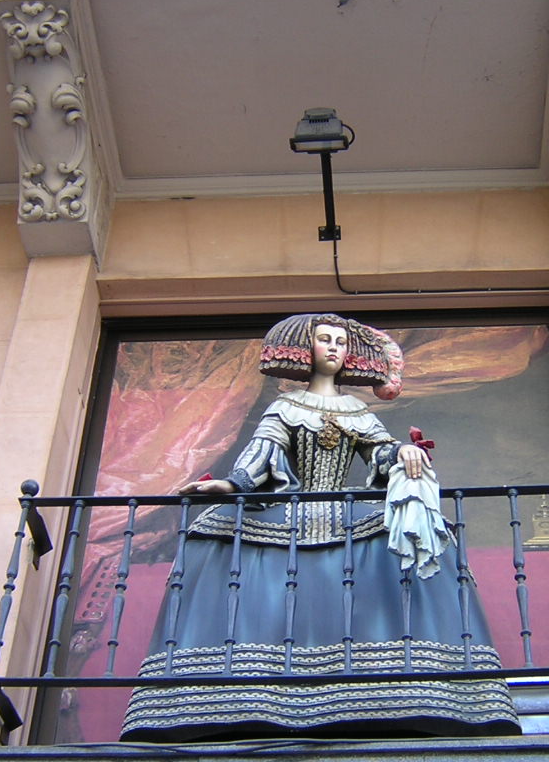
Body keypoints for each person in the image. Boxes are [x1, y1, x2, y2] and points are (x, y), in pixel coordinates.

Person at [120, 314, 520, 741]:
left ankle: (418, 681)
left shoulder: (357, 410)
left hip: (343, 509)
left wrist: (404, 451)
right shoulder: (286, 406)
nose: (333, 347)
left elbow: (379, 453)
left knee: (422, 531)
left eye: (341, 342)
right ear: (305, 349)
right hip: (291, 508)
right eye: (325, 339)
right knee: (211, 532)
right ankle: (228, 684)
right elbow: (261, 453)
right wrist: (231, 485)